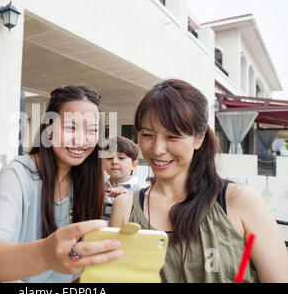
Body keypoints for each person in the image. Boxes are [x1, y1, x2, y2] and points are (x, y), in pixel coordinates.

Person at [110, 79, 288, 283]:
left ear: (199, 137)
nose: (157, 149)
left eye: (172, 137)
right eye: (147, 135)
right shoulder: (125, 207)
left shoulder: (240, 202)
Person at [0, 85, 123, 283]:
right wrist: (47, 254)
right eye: (71, 127)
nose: (81, 140)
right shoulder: (18, 174)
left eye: (92, 130)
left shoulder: (86, 182)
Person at [102, 136, 142, 220]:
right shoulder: (100, 187)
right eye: (109, 158)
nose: (114, 162)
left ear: (133, 165)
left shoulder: (140, 190)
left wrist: (126, 198)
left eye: (121, 158)